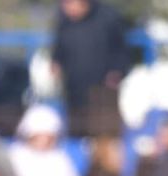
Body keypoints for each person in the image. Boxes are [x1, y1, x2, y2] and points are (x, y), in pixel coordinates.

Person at [51, 0, 132, 139]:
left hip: (103, 89)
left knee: (105, 136)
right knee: (76, 134)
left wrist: (117, 72)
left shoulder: (108, 17)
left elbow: (121, 50)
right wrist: (56, 62)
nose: (66, 7)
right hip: (74, 89)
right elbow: (59, 47)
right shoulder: (64, 21)